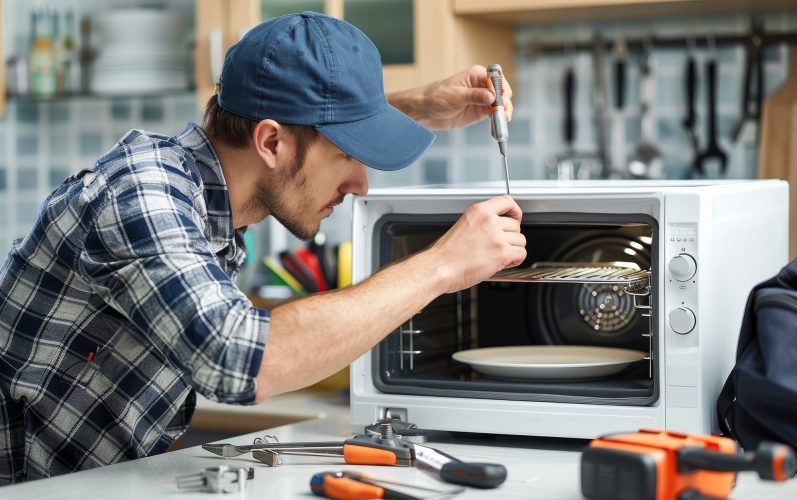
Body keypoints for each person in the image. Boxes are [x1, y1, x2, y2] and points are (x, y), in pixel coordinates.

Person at [0, 12, 525, 484]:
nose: (361, 185)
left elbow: (302, 128)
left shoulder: (207, 188)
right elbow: (237, 358)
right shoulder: (143, 190)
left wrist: (415, 106)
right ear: (270, 143)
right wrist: (443, 264)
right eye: (348, 154)